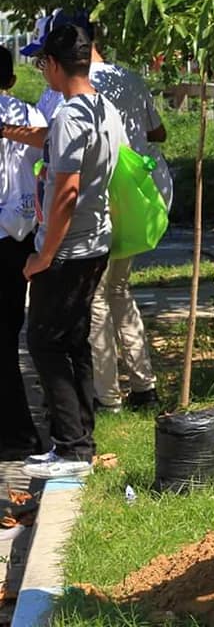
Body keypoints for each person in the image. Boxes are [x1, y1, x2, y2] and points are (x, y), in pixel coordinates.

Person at [20, 9, 171, 412]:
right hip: (130, 204)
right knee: (119, 290)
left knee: (96, 301)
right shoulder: (127, 80)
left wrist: (45, 254)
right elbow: (158, 131)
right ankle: (144, 385)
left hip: (86, 213)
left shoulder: (67, 96)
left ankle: (107, 395)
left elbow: (56, 152)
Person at [7, 24, 125, 479]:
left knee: (44, 342)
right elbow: (59, 147)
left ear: (55, 65)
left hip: (67, 250)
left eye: (42, 63)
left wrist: (42, 256)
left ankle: (72, 449)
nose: (42, 71)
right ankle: (78, 442)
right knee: (73, 342)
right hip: (94, 243)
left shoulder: (71, 116)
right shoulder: (102, 108)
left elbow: (67, 194)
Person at [0, 47, 48, 461]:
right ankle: (17, 435)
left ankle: (17, 435)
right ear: (12, 80)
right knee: (8, 335)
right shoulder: (30, 115)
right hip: (18, 238)